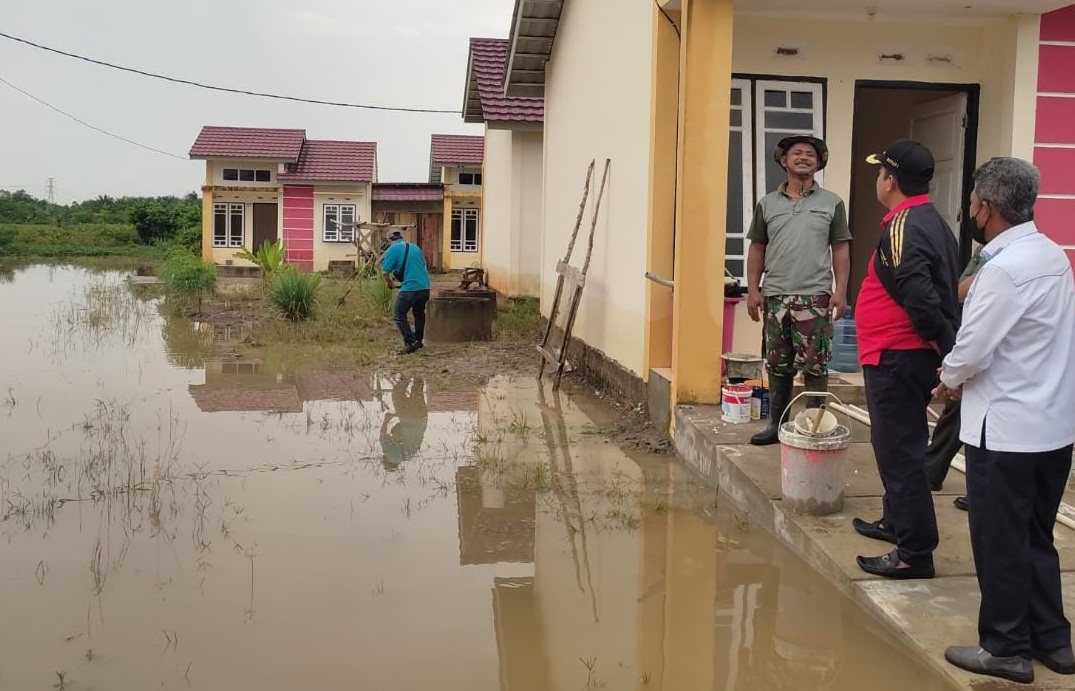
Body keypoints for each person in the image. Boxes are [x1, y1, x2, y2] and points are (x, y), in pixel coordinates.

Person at [934, 158, 1075, 684]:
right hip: (1053, 426)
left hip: (1007, 429)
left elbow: (973, 349)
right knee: (1037, 535)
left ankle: (1006, 647)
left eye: (972, 202)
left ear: (986, 208)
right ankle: (1053, 642)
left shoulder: (1002, 269)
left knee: (1000, 539)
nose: (969, 210)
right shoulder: (1050, 255)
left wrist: (947, 376)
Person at [852, 139, 959, 580]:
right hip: (899, 354)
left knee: (900, 453)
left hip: (897, 356)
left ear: (890, 180)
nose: (879, 179)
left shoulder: (905, 226)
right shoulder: (931, 220)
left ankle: (915, 552)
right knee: (896, 444)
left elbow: (920, 297)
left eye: (880, 173)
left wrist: (942, 346)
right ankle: (895, 522)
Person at [746, 135, 852, 445]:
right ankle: (776, 426)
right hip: (776, 296)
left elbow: (840, 249)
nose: (804, 158)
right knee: (778, 364)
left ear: (819, 163)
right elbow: (757, 249)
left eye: (810, 154)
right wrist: (754, 290)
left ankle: (813, 427)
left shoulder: (831, 203)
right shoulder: (767, 204)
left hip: (815, 296)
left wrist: (841, 290)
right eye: (797, 153)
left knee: (815, 364)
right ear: (783, 161)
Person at [924, 248, 988, 511]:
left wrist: (951, 375)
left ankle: (933, 472)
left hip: (982, 354)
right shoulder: (986, 252)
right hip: (971, 347)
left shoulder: (1005, 259)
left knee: (966, 417)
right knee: (959, 416)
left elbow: (963, 290)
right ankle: (932, 471)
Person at [381, 227, 431, 355]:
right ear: (401, 237)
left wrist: (390, 284)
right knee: (419, 313)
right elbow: (423, 266)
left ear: (389, 239)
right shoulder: (415, 247)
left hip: (410, 287)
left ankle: (410, 343)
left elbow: (385, 271)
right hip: (425, 287)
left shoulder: (393, 249)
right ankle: (418, 341)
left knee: (398, 313)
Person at [379, 375, 429, 471]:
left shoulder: (409, 455)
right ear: (389, 462)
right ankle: (406, 374)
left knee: (417, 388)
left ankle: (419, 370)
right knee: (397, 394)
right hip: (408, 418)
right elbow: (382, 436)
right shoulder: (393, 457)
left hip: (422, 418)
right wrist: (386, 419)